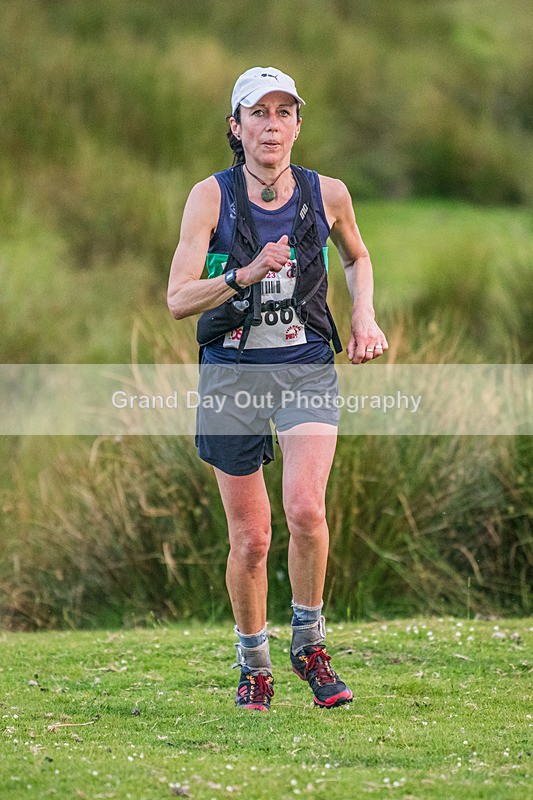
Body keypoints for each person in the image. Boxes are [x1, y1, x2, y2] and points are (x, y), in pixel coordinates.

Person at [167, 67, 388, 711]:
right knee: (252, 539)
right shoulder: (210, 198)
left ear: (297, 124)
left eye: (283, 112)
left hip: (306, 365)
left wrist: (363, 316)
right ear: (235, 128)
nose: (272, 124)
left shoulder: (329, 193)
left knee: (307, 511)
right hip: (232, 374)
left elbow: (357, 256)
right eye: (257, 113)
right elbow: (179, 300)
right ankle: (253, 661)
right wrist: (245, 273)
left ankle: (309, 644)